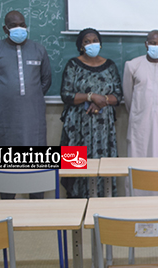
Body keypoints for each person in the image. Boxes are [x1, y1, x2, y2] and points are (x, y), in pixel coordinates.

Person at [0, 10, 52, 199]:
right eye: (13, 25)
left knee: (37, 154)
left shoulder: (39, 49)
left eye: (22, 24)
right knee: (6, 155)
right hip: (5, 115)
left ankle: (37, 200)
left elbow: (46, 80)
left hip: (34, 113)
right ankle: (7, 201)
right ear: (5, 28)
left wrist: (30, 96)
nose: (19, 28)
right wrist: (4, 98)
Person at [59, 28, 122, 198]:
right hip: (77, 127)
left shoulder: (110, 66)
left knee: (103, 170)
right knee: (76, 171)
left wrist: (102, 101)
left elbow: (118, 95)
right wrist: (91, 96)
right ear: (80, 46)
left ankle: (102, 211)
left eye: (95, 40)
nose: (92, 44)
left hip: (104, 129)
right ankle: (76, 210)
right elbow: (66, 94)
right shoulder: (73, 65)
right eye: (87, 41)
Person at [122, 30, 158, 196]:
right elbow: (128, 96)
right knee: (139, 165)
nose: (157, 47)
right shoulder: (133, 65)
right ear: (146, 44)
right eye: (153, 43)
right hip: (140, 125)